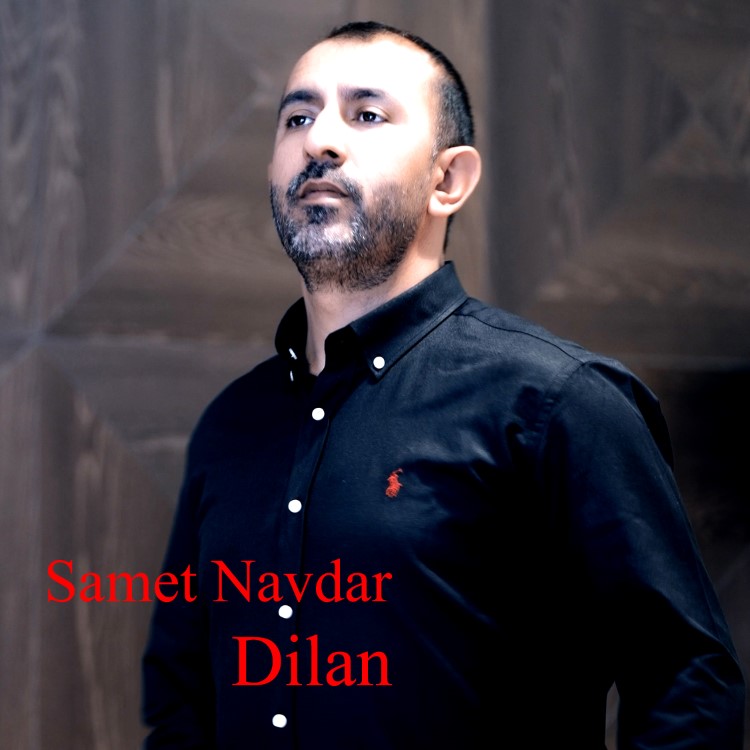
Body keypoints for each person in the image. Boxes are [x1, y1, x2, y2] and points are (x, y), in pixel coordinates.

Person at [141, 20, 746, 749]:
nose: (319, 140)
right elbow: (182, 699)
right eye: (297, 118)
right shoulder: (232, 424)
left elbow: (687, 681)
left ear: (448, 180)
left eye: (367, 115)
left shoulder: (558, 402)